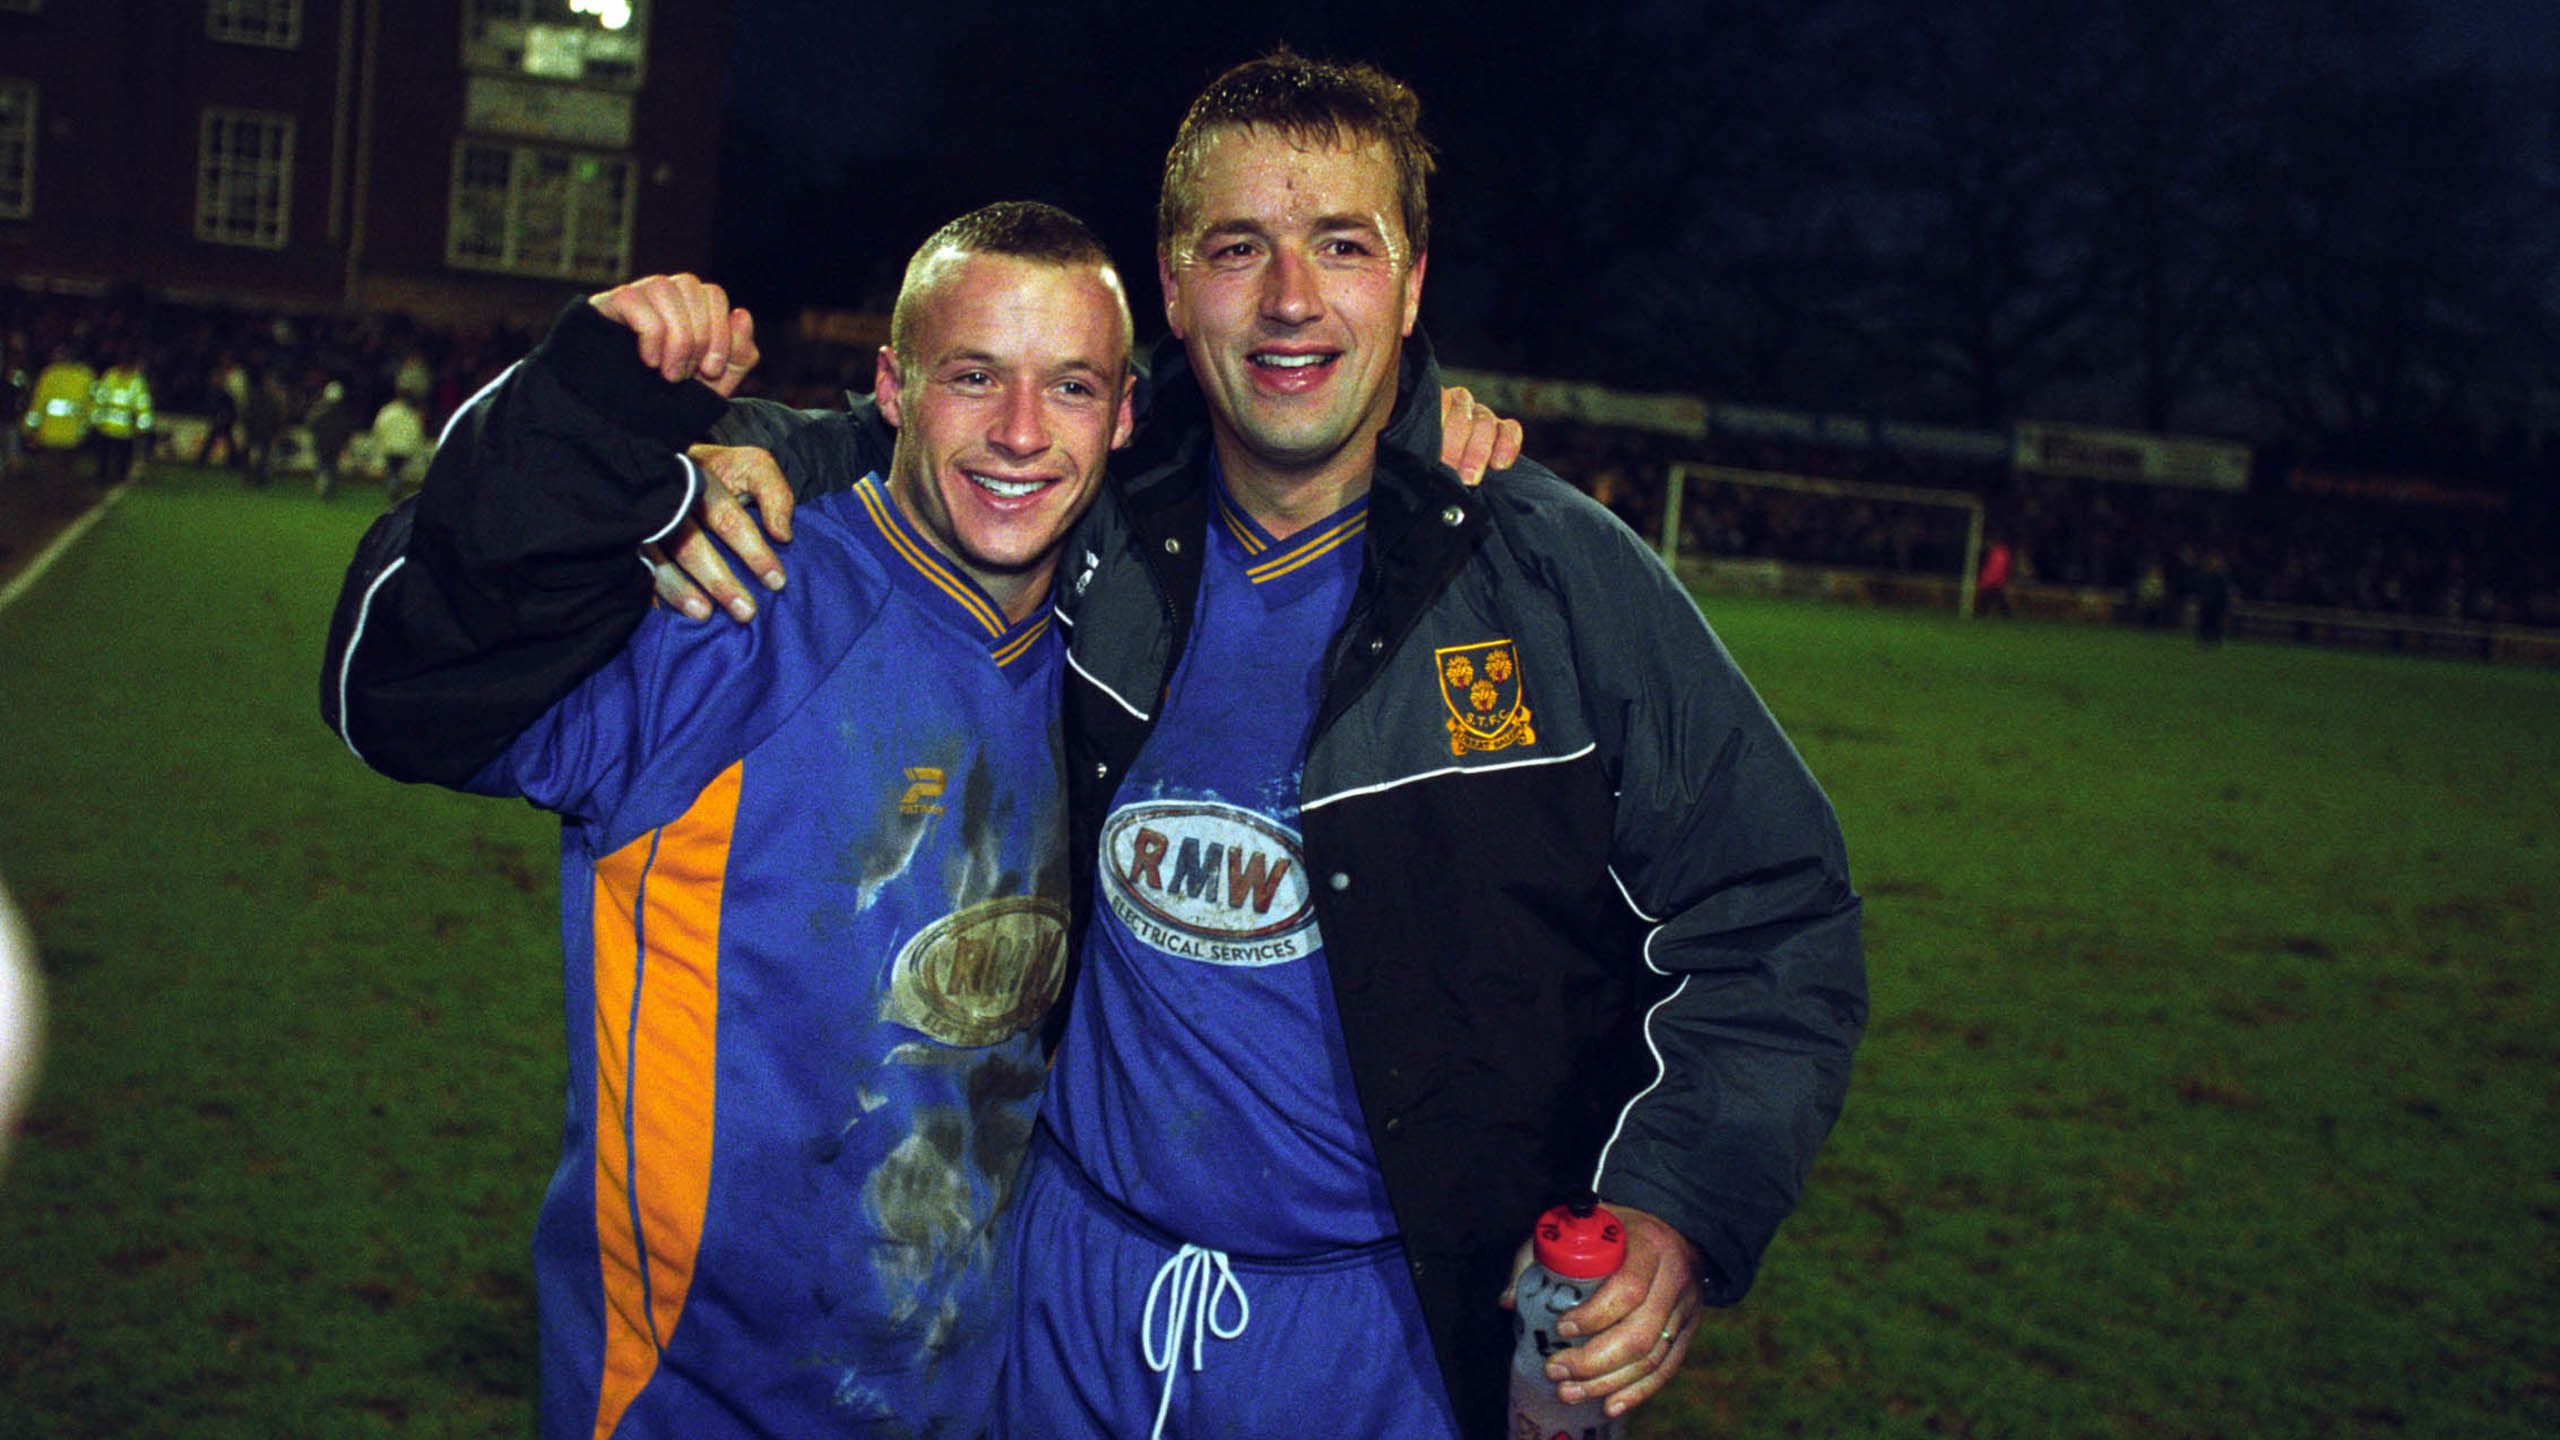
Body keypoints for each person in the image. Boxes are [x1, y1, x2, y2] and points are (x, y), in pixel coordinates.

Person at [669, 50, 1864, 1439]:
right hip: (1061, 1304)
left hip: (1393, 1347)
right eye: (1240, 249)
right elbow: (927, 443)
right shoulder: (1089, 523)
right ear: (1173, 291)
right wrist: (730, 458)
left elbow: (1774, 916)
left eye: (1342, 245)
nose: (1292, 299)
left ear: (1411, 286)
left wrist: (1675, 1199)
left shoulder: (1559, 583)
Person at [320, 203, 1139, 1437]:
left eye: (1069, 386)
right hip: (687, 1405)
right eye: (974, 376)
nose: (1022, 432)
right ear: (894, 388)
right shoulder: (738, 588)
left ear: (1124, 414)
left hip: (973, 1402)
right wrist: (588, 422)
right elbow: (393, 691)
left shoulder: (1120, 660)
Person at [88, 349, 153, 487]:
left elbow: (143, 403)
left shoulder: (137, 381)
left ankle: (119, 477)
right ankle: (101, 477)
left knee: (123, 456)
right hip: (107, 425)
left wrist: (143, 424)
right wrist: (95, 417)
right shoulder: (110, 376)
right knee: (103, 456)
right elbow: (100, 397)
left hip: (125, 428)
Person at [368, 389, 425, 508]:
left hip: (391, 447)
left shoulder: (388, 411)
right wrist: (414, 447)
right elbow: (416, 431)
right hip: (404, 448)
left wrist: (381, 442)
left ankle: (394, 492)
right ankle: (395, 490)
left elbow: (379, 426)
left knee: (392, 471)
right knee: (396, 471)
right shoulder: (410, 413)